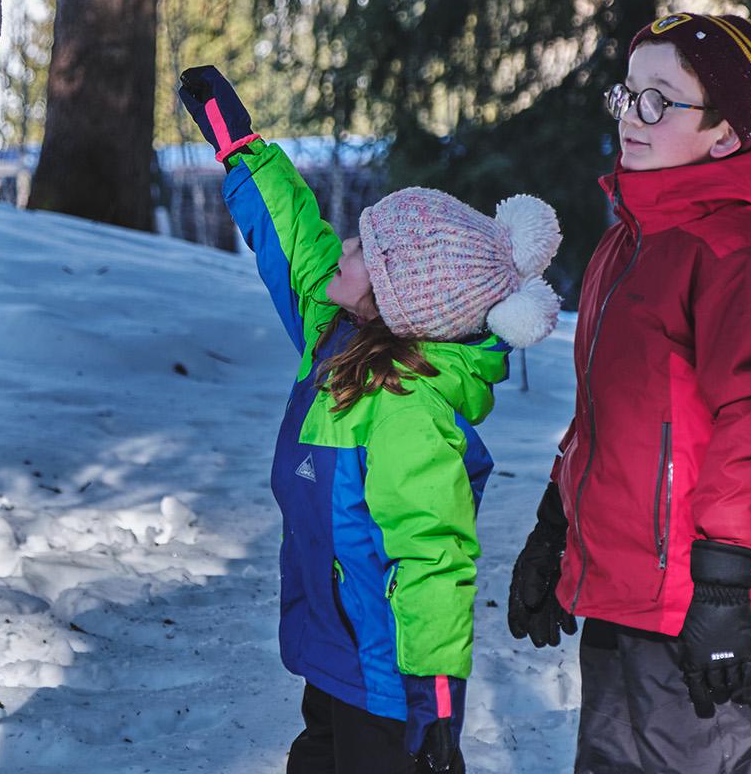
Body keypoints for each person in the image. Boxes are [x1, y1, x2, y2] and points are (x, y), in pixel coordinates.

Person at [178, 66, 563, 774]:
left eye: (361, 251)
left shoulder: (407, 407)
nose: (342, 248)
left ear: (392, 302)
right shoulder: (337, 336)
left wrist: (437, 703)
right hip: (333, 658)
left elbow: (434, 555)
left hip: (393, 689)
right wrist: (241, 145)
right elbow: (296, 240)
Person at [506, 13, 751, 773]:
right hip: (614, 583)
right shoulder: (629, 242)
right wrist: (556, 528)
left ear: (724, 134)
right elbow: (603, 416)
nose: (632, 117)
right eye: (629, 93)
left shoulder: (733, 255)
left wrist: (722, 583)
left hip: (687, 594)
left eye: (660, 100)